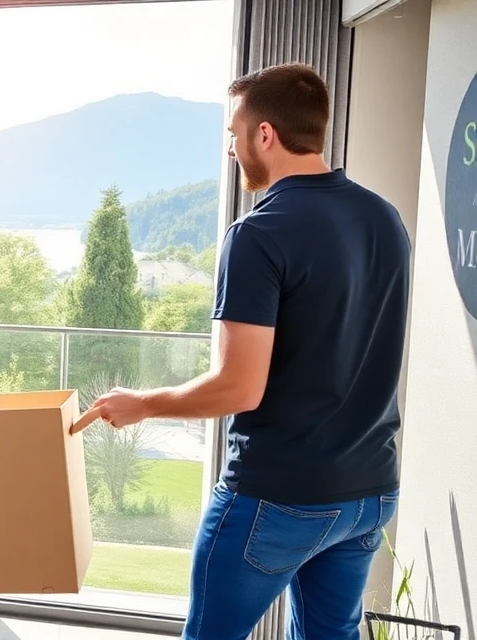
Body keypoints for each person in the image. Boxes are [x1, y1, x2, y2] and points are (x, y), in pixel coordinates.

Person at [89, 63, 409, 639]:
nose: (232, 150)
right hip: (369, 492)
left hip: (279, 496)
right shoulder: (384, 218)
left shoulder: (259, 232)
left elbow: (239, 387)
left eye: (234, 134)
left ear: (265, 133)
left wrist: (144, 403)